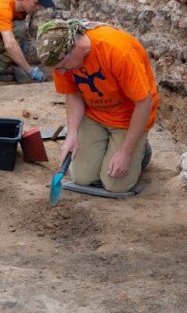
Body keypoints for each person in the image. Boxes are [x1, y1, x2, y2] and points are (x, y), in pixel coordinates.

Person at [35, 19, 157, 193]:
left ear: (75, 48)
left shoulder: (117, 51)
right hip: (95, 115)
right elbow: (74, 94)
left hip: (128, 118)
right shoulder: (59, 59)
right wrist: (72, 134)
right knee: (82, 179)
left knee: (115, 186)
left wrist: (125, 153)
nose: (60, 72)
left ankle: (141, 151)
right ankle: (108, 147)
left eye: (62, 67)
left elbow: (144, 103)